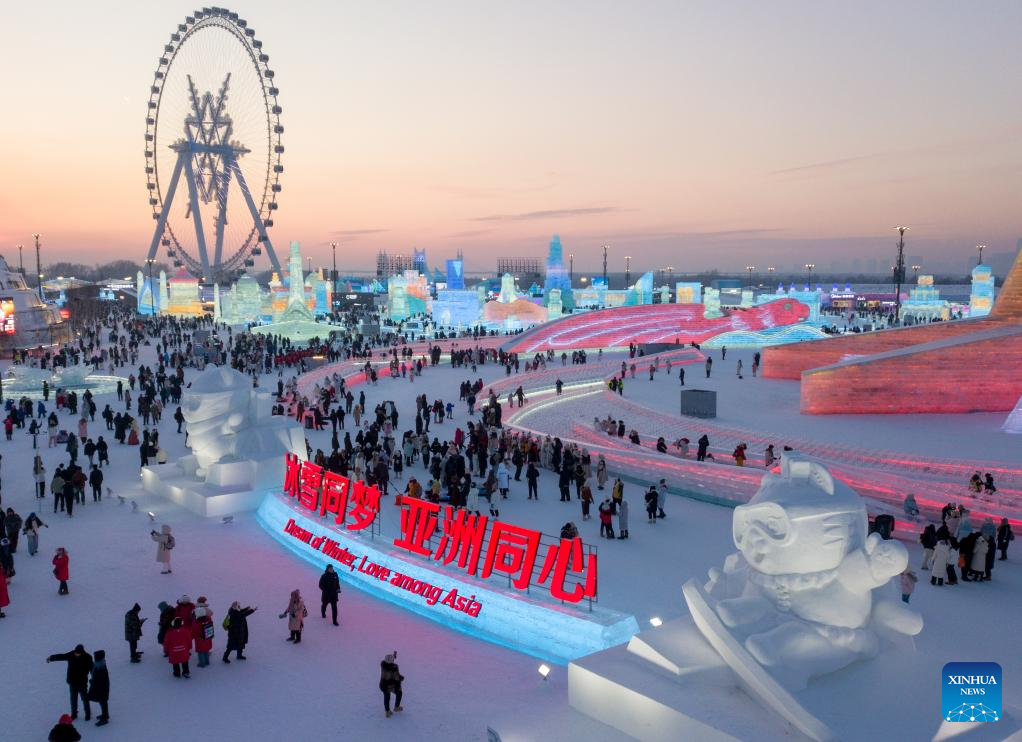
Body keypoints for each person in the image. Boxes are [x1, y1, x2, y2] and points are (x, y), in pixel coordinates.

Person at [47, 644, 93, 721]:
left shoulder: (88, 657)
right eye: (75, 653)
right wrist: (51, 658)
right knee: (73, 699)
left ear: (82, 652)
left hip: (82, 683)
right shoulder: (71, 654)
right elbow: (62, 656)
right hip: (72, 682)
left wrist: (93, 679)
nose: (76, 654)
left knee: (85, 699)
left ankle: (87, 714)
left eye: (78, 653)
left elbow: (92, 669)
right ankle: (74, 714)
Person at [89, 649, 110, 727]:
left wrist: (93, 682)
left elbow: (100, 680)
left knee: (103, 702)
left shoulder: (101, 667)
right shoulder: (99, 664)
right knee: (102, 702)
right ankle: (105, 715)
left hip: (102, 689)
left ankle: (105, 718)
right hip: (100, 688)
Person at [380, 652, 404, 718]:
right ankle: (396, 707)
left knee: (387, 697)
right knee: (399, 693)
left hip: (383, 685)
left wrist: (393, 656)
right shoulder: (394, 668)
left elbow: (389, 661)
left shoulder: (382, 664)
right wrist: (401, 678)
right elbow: (397, 678)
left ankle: (387, 712)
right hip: (391, 685)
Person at [192, 597, 214, 668]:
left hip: (199, 640)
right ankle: (207, 662)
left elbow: (194, 632)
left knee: (200, 652)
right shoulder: (209, 619)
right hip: (207, 637)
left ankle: (202, 663)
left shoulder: (196, 623)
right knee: (206, 650)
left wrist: (192, 637)